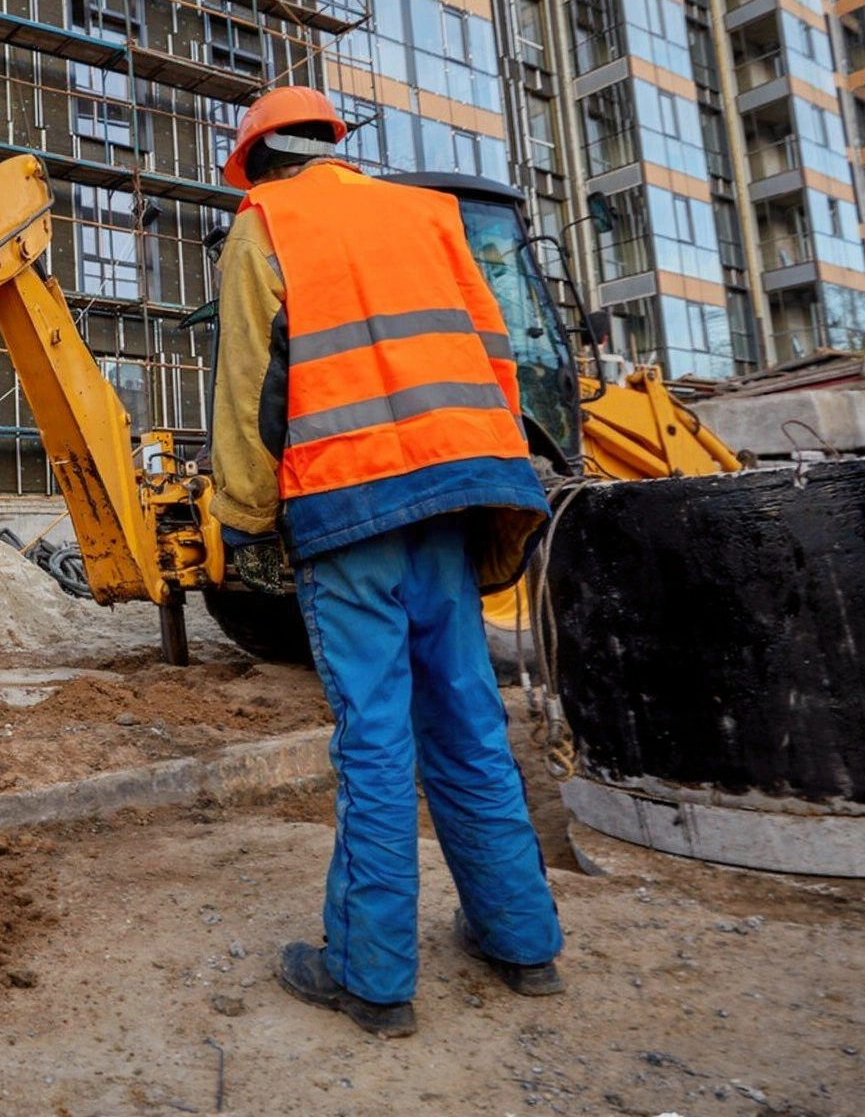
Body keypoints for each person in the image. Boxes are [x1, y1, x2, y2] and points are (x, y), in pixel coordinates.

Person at [208, 86, 564, 1038]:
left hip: (348, 504)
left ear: (258, 161)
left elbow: (247, 389)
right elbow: (493, 357)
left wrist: (243, 519)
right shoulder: (426, 214)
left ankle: (371, 977)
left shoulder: (264, 224)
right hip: (454, 497)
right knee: (470, 721)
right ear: (334, 146)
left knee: (374, 736)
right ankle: (523, 943)